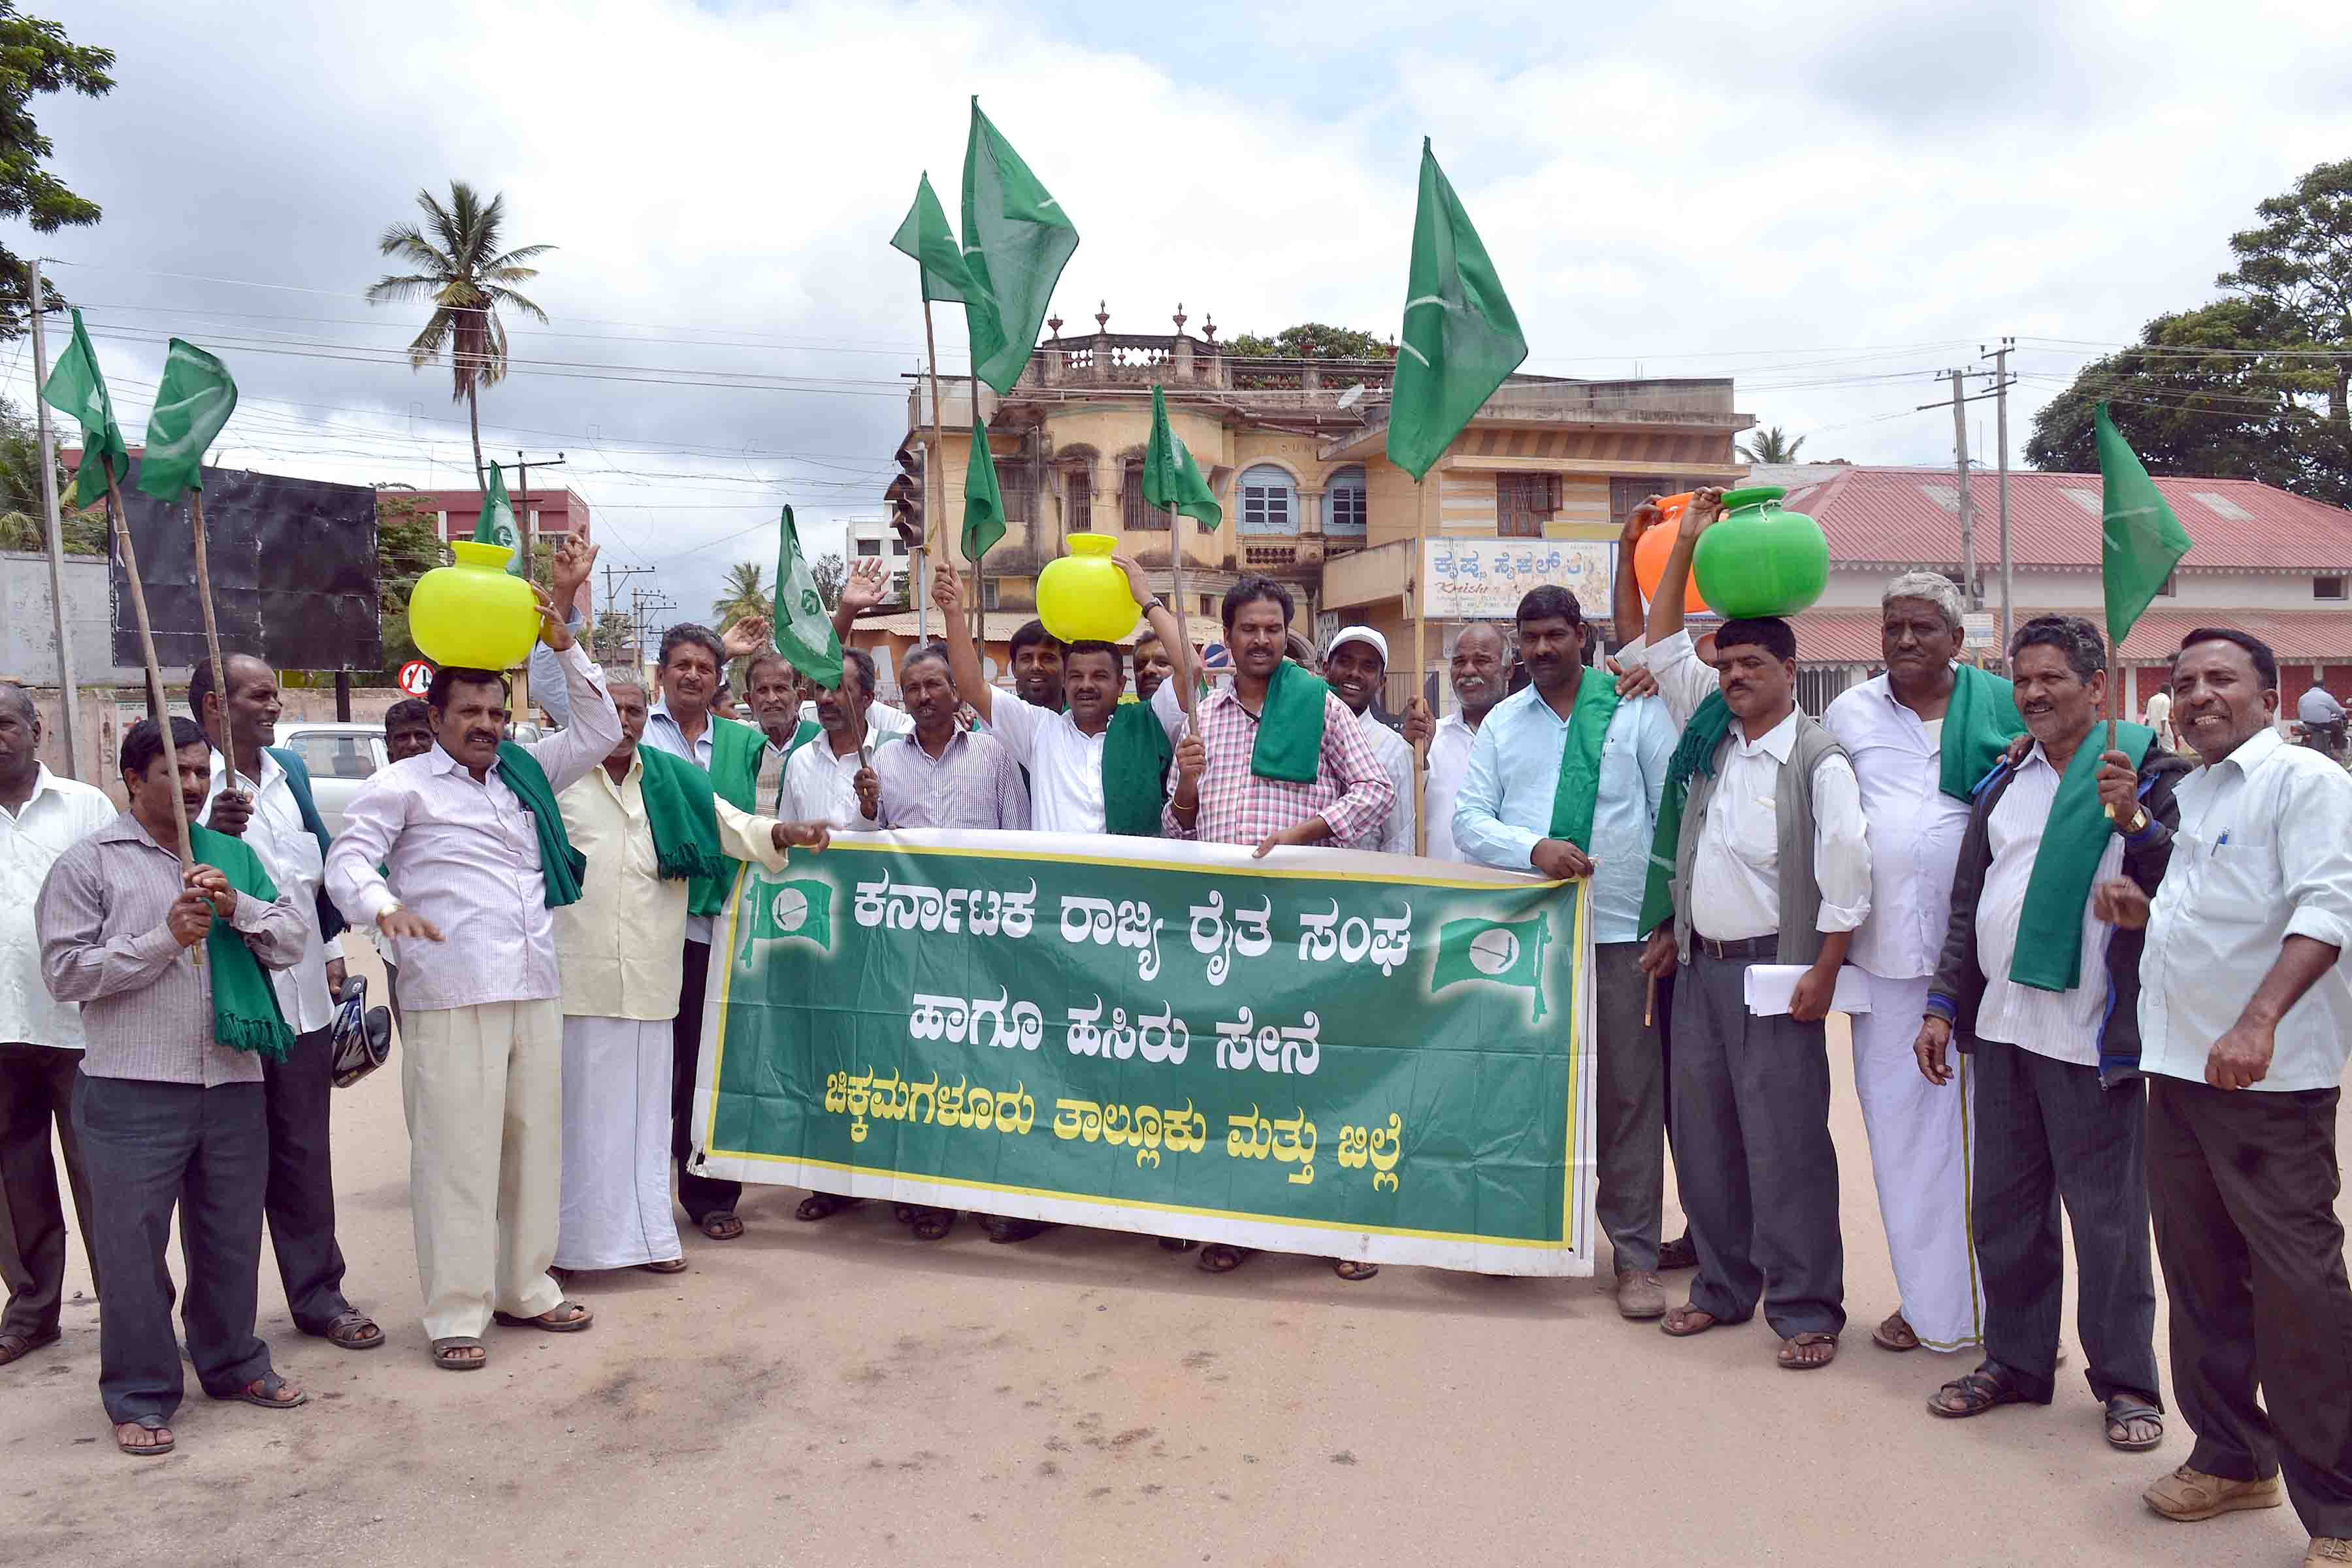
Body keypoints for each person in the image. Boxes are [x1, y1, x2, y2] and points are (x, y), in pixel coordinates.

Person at [325, 573, 622, 1371]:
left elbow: (598, 727)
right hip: (453, 994)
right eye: (471, 714)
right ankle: (457, 1313)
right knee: (456, 1155)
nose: (487, 726)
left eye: (497, 713)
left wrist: (562, 638)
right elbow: (347, 861)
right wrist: (384, 907)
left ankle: (527, 1286)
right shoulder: (403, 786)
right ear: (436, 718)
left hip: (533, 985)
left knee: (532, 1144)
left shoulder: (525, 773)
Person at [2101, 629, 2352, 1563]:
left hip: (2269, 1084)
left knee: (2299, 1294)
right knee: (2200, 1277)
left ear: (2270, 693)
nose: (2200, 694)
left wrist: (2259, 1023)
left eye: (2221, 679)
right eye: (2186, 682)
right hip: (2179, 1069)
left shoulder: (2307, 785)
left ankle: (2341, 1509)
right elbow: (2213, 905)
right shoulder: (2194, 792)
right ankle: (2235, 1456)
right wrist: (2144, 907)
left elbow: (2327, 910)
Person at [1914, 614, 2183, 1451]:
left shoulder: (2143, 772)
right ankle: (2019, 1362)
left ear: (2096, 688)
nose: (2031, 694)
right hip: (2001, 1029)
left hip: (2093, 1040)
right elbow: (1971, 906)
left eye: (2051, 680)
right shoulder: (2004, 781)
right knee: (2006, 1210)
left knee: (2107, 1222)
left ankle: (2128, 1386)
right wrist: (1941, 1005)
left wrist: (2135, 822)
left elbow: (2181, 883)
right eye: (2022, 680)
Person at [1637, 487, 1870, 1371]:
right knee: (1706, 1140)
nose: (1734, 679)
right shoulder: (1713, 740)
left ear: (1786, 673)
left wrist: (1826, 970)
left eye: (1750, 668)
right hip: (1701, 974)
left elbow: (1848, 868)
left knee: (1788, 1146)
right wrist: (1691, 536)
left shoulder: (1815, 756)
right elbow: (1662, 647)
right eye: (1726, 666)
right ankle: (1723, 1289)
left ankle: (1807, 1308)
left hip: (1779, 977)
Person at [39, 717, 311, 1454]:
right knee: (131, 1250)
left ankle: (232, 1363)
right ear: (133, 778)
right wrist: (165, 939)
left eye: (201, 773)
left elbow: (294, 940)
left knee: (228, 1239)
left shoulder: (232, 856)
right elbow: (66, 974)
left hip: (231, 1080)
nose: (193, 787)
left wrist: (236, 909)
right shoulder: (88, 864)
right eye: (176, 773)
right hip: (133, 1087)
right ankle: (139, 1392)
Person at [553, 675, 827, 1276]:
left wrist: (785, 833)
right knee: (576, 1121)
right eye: (608, 707)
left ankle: (647, 1239)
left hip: (653, 975)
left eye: (631, 709)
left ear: (645, 716)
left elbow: (734, 825)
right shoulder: (561, 778)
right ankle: (567, 1249)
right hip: (577, 981)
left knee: (648, 1118)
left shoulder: (674, 780)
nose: (621, 719)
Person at [1452, 586, 1676, 1318]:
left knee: (1628, 1097)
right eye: (1531, 638)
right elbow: (1468, 822)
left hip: (1619, 936)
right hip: (1530, 935)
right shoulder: (1504, 725)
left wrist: (1666, 922)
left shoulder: (1632, 707)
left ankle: (1636, 1258)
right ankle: (1517, 1235)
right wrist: (1533, 848)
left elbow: (1670, 814)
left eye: (1555, 635)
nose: (1542, 649)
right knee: (1523, 1088)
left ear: (1584, 635)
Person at [1164, 575, 1394, 1281]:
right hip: (1226, 930)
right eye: (1247, 629)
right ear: (1227, 639)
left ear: (1287, 634)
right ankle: (1239, 1220)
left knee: (1313, 1074)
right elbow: (1178, 826)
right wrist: (1189, 783)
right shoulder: (1203, 715)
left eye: (1272, 628)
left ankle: (1334, 1228)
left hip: (1304, 924)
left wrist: (1305, 833)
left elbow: (1376, 791)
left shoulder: (1319, 703)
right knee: (1236, 1078)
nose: (1260, 639)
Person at [1821, 573, 2020, 1358]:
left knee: (1983, 1146)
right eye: (1893, 627)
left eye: (1923, 629)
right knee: (1901, 1137)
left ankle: (1996, 1313)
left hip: (1979, 964)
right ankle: (1933, 1302)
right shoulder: (1851, 711)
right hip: (1883, 965)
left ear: (1956, 640)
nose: (1906, 641)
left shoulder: (2003, 704)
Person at [189, 653, 382, 1354]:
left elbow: (311, 874)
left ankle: (319, 1295)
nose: (274, 706)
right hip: (230, 1008)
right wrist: (210, 825)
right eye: (259, 696)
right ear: (215, 707)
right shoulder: (191, 782)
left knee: (304, 1157)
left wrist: (332, 952)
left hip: (302, 1002)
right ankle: (220, 1326)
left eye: (275, 694)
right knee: (226, 1171)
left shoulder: (289, 774)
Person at [640, 619, 777, 1247]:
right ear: (661, 672)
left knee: (709, 1068)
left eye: (704, 666)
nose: (692, 675)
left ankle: (710, 1194)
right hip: (647, 924)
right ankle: (637, 1199)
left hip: (719, 927)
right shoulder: (635, 731)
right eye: (681, 665)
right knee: (647, 1070)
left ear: (718, 677)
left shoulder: (744, 744)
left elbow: (758, 822)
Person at [0, 683, 116, 1370]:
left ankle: (130, 1309)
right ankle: (32, 1312)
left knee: (102, 1174)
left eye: (6, 722)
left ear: (37, 729)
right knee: (14, 1178)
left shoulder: (84, 807)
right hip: (0, 1027)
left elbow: (118, 897)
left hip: (79, 1026)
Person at [934, 559, 1192, 838]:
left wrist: (1146, 600)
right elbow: (973, 688)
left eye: (1100, 676)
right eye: (1076, 676)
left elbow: (1192, 669)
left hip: (1134, 878)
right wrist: (954, 612)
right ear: (1065, 683)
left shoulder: (1149, 723)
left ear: (1121, 685)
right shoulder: (1040, 730)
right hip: (1057, 880)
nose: (1086, 685)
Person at [854, 644, 1028, 834]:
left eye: (933, 685)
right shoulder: (886, 758)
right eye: (913, 688)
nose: (923, 697)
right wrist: (867, 811)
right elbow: (869, 842)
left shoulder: (994, 752)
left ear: (954, 693)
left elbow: (1017, 833)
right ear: (904, 699)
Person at [1322, 628, 1416, 856]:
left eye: (1368, 667)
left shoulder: (1394, 749)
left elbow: (1399, 840)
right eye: (1345, 662)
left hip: (1360, 885)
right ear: (1326, 670)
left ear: (1382, 682)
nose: (1355, 673)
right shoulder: (1300, 731)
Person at [373, 699, 436, 1041]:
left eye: (421, 735)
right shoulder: (379, 792)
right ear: (389, 746)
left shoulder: (458, 788)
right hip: (400, 945)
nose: (412, 744)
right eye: (402, 738)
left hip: (460, 941)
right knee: (416, 1045)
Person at [1422, 623, 1510, 864]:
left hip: (1508, 892)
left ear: (1508, 670)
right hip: (1439, 891)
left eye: (1481, 661)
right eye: (1459, 662)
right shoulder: (1430, 738)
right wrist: (1415, 759)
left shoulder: (1527, 737)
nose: (1468, 671)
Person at [781, 649, 891, 832]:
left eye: (838, 688)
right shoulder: (800, 761)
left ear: (867, 699)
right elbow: (789, 837)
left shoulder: (891, 757)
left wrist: (869, 812)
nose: (825, 698)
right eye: (820, 687)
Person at [1009, 619, 1067, 713]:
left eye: (1048, 658)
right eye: (1026, 659)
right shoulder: (998, 720)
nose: (1036, 666)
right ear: (1014, 668)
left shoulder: (1085, 720)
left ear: (1066, 666)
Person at [1132, 631, 1174, 705]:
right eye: (1141, 666)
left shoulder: (1200, 714)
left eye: (1162, 663)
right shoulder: (1124, 715)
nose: (1148, 669)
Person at [2143, 683, 2180, 754]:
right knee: (2170, 749)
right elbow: (2164, 717)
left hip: (2152, 729)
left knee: (2155, 750)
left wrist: (2145, 729)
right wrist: (2163, 730)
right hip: (2163, 729)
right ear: (2168, 691)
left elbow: (2148, 717)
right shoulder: (2166, 699)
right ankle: (2173, 764)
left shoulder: (2152, 699)